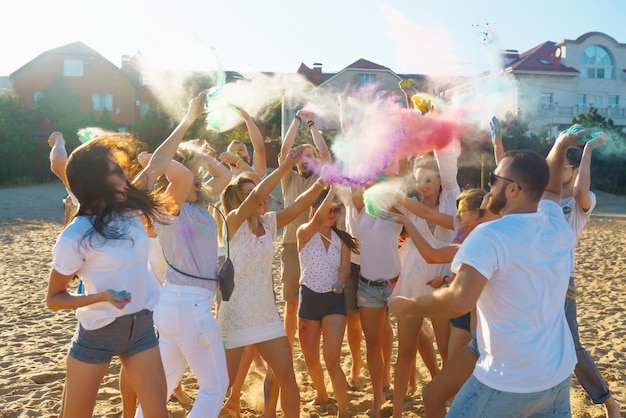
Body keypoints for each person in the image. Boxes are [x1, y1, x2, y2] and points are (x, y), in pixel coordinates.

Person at [389, 125, 586, 417]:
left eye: (495, 179)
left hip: (509, 379)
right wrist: (559, 146)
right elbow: (553, 188)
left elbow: (458, 300)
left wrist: (409, 306)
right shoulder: (554, 220)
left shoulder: (490, 235)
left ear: (512, 189)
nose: (490, 184)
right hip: (557, 376)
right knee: (434, 393)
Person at [46, 93, 206, 418]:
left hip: (142, 327)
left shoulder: (130, 206)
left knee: (157, 412)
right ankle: (58, 140)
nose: (124, 175)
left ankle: (60, 142)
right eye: (115, 172)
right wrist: (100, 296)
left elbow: (158, 162)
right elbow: (55, 298)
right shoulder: (76, 235)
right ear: (97, 183)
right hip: (96, 334)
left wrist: (189, 117)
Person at [492, 119, 620, 418]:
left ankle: (607, 399)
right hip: (528, 279)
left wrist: (587, 149)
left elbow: (579, 192)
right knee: (527, 342)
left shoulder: (579, 203)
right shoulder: (537, 198)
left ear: (574, 170)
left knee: (572, 346)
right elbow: (510, 180)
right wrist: (498, 144)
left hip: (562, 281)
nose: (559, 164)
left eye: (565, 163)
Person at [219, 148, 326, 418]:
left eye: (257, 192)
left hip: (266, 315)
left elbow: (300, 205)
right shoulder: (232, 222)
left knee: (287, 375)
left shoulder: (269, 222)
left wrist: (323, 184)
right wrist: (283, 167)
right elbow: (258, 194)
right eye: (250, 193)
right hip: (236, 316)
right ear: (236, 200)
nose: (260, 197)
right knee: (222, 385)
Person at [135, 137, 232, 418]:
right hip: (190, 307)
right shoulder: (171, 205)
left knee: (163, 385)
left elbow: (224, 174)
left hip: (177, 305)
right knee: (215, 386)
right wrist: (156, 158)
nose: (199, 178)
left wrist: (200, 157)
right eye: (194, 174)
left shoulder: (199, 203)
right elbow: (180, 175)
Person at [391, 146, 460, 418]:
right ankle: (396, 411)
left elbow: (447, 169)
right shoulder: (410, 204)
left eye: (428, 180)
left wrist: (437, 135)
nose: (423, 185)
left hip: (442, 286)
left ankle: (452, 406)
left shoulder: (452, 200)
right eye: (418, 180)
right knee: (405, 351)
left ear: (440, 180)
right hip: (411, 284)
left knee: (446, 351)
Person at [297, 187, 359, 418]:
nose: (332, 214)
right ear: (316, 210)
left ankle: (343, 412)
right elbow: (315, 220)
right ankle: (322, 394)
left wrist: (341, 282)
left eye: (336, 210)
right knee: (310, 358)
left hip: (334, 302)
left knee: (332, 359)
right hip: (309, 300)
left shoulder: (341, 240)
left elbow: (344, 269)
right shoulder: (305, 232)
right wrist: (332, 188)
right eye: (328, 209)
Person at [279, 110, 331, 349]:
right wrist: (296, 120)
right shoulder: (288, 179)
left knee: (316, 306)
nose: (304, 159)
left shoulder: (321, 178)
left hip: (318, 247)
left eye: (309, 155)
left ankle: (312, 350)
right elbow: (283, 152)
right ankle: (288, 349)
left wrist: (311, 123)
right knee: (291, 304)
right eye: (300, 155)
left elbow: (325, 153)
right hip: (291, 246)